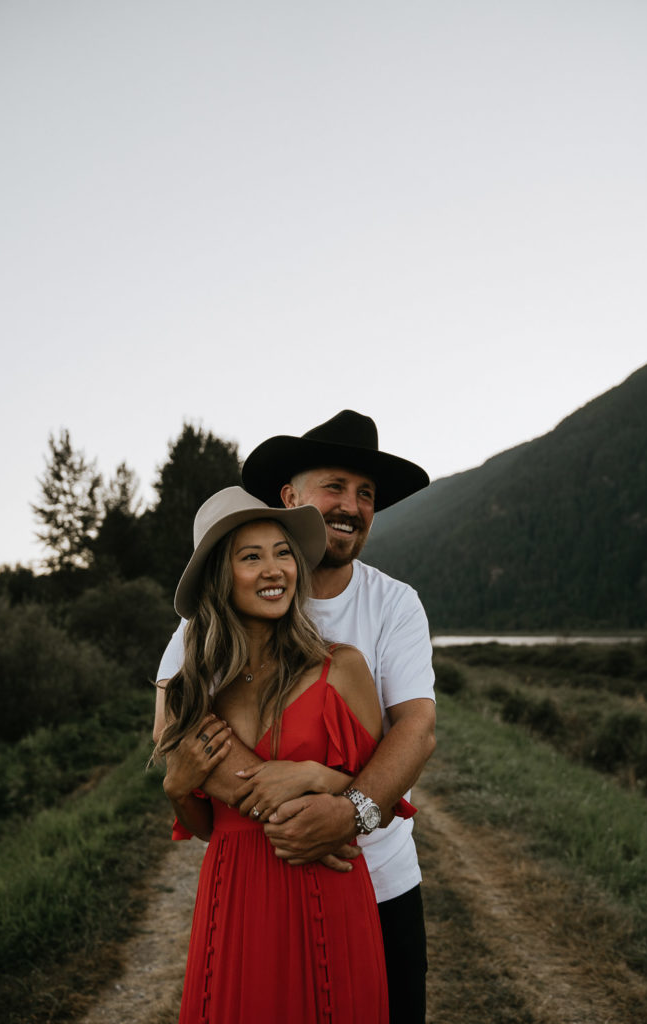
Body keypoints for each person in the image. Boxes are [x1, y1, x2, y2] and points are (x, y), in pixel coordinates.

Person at [155, 410, 436, 1024]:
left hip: (374, 876)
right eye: (335, 486)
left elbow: (415, 729)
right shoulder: (203, 630)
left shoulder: (393, 605)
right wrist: (306, 787)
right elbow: (177, 735)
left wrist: (344, 809)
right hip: (254, 889)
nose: (352, 505)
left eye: (366, 494)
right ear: (292, 498)